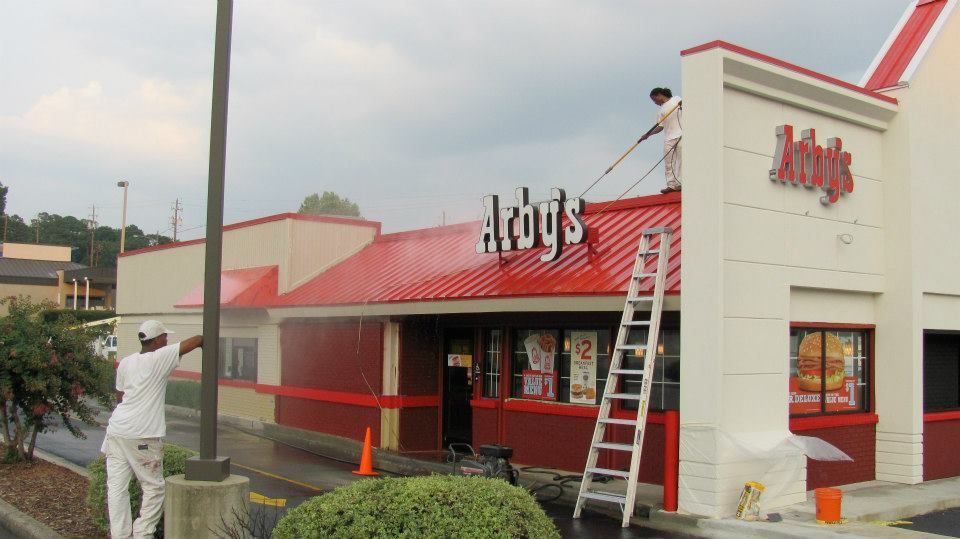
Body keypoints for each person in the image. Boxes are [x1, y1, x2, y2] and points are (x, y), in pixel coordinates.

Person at [101, 320, 202, 538]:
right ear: (156, 340)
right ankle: (142, 534)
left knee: (117, 489)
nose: (167, 340)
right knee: (154, 488)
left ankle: (120, 535)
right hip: (142, 434)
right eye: (164, 337)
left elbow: (120, 397)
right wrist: (207, 343)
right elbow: (196, 340)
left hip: (116, 432)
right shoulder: (160, 357)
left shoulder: (126, 362)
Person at [640, 87, 682, 193]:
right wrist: (648, 134)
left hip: (681, 134)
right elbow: (660, 127)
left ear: (659, 95)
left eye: (654, 99)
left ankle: (681, 183)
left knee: (681, 160)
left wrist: (682, 104)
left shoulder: (676, 99)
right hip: (669, 137)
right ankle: (671, 185)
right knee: (669, 162)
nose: (655, 102)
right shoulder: (661, 111)